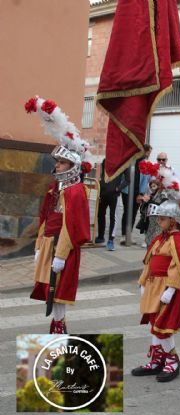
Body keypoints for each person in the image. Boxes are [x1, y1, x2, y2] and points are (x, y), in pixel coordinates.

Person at [25, 96, 91, 334]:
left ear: (72, 166)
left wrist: (61, 254)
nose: (58, 166)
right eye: (58, 162)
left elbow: (72, 227)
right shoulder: (57, 188)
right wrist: (39, 247)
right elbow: (46, 219)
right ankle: (57, 327)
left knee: (60, 291)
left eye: (62, 163)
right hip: (50, 245)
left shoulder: (75, 192)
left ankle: (59, 329)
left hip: (64, 248)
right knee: (50, 290)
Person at [131, 170, 180, 382]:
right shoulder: (159, 239)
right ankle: (156, 358)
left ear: (174, 219)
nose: (159, 220)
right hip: (153, 285)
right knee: (154, 323)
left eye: (163, 218)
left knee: (163, 326)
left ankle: (172, 360)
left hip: (168, 289)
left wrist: (170, 289)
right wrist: (143, 282)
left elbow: (178, 268)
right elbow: (149, 262)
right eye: (158, 217)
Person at [120, 144, 151, 244]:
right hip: (127, 191)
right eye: (148, 152)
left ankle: (129, 234)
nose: (148, 154)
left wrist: (141, 194)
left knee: (133, 213)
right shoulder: (130, 161)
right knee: (126, 212)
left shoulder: (145, 163)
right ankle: (123, 235)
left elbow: (145, 180)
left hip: (137, 193)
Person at [96, 158, 125, 251]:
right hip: (103, 193)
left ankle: (111, 240)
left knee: (113, 217)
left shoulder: (122, 162)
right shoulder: (105, 160)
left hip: (114, 195)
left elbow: (128, 179)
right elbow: (102, 174)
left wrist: (119, 188)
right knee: (100, 215)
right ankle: (100, 236)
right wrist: (100, 186)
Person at [137, 162, 167, 246]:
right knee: (149, 239)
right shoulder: (151, 194)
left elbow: (164, 202)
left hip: (159, 219)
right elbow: (144, 207)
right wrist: (144, 201)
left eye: (154, 186)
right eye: (151, 186)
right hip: (150, 219)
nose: (152, 188)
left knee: (156, 238)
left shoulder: (163, 193)